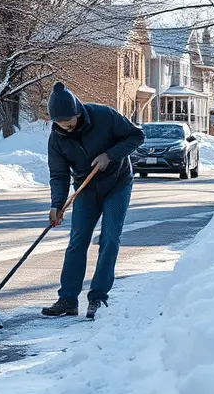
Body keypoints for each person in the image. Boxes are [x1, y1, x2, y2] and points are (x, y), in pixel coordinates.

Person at [41, 81, 145, 320]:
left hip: (117, 183)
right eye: (60, 124)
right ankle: (68, 299)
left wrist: (109, 155)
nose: (66, 128)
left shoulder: (104, 116)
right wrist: (56, 205)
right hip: (85, 189)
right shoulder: (57, 138)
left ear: (78, 112)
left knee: (109, 237)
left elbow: (136, 136)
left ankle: (98, 297)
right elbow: (58, 174)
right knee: (77, 239)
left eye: (69, 123)